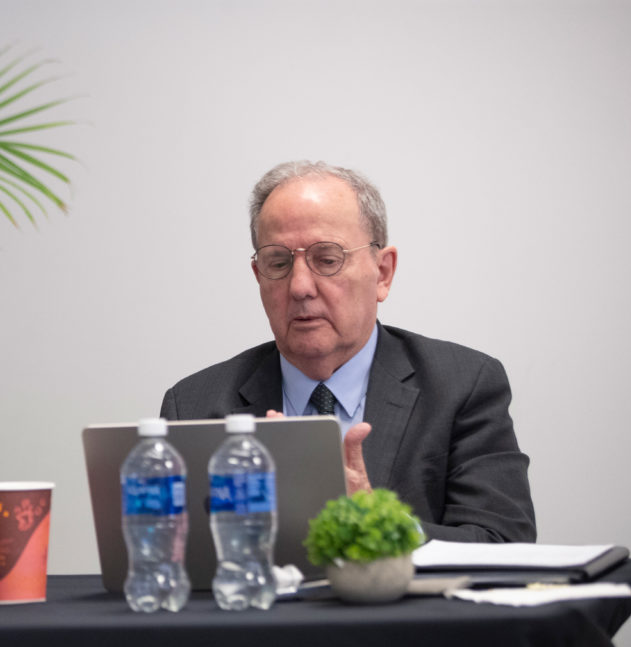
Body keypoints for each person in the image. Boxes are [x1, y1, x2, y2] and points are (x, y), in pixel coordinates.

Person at [160, 161, 535, 543]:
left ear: (383, 273)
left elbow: (503, 542)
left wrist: (382, 526)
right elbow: (169, 557)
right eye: (279, 262)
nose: (300, 287)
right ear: (259, 276)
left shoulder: (462, 385)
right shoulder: (194, 406)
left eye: (327, 259)